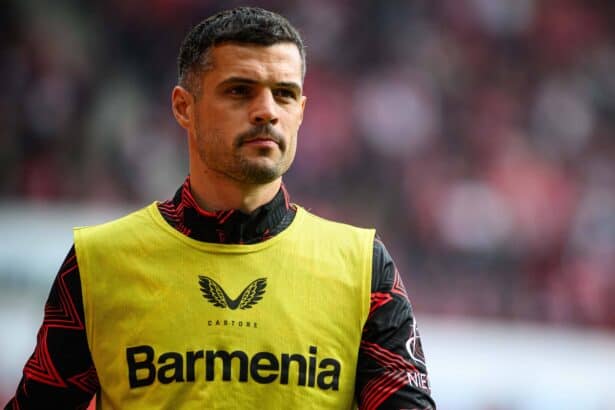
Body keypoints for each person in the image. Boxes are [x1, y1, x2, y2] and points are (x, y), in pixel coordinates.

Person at [5, 7, 435, 410]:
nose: (266, 111)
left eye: (284, 94)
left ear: (301, 112)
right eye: (239, 91)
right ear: (183, 107)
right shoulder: (99, 264)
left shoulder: (363, 269)